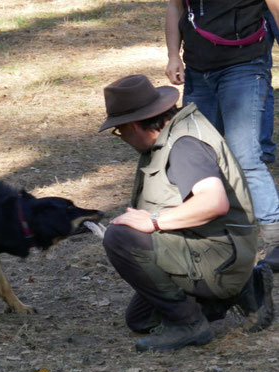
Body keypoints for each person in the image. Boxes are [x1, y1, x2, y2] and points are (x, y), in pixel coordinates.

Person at [93, 74, 274, 352]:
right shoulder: (174, 133)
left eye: (119, 132)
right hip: (214, 249)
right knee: (141, 320)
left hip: (218, 255)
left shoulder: (184, 145)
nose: (123, 139)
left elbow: (214, 202)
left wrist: (153, 222)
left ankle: (190, 324)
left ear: (134, 126)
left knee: (119, 238)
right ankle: (245, 287)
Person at [165, 0, 279, 274]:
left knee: (245, 157)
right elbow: (175, 6)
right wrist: (172, 56)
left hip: (244, 66)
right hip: (197, 68)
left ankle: (276, 239)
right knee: (197, 155)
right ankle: (208, 237)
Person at [261, 8, 279, 164]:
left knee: (260, 77)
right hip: (253, 10)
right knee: (259, 77)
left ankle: (263, 148)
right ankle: (263, 148)